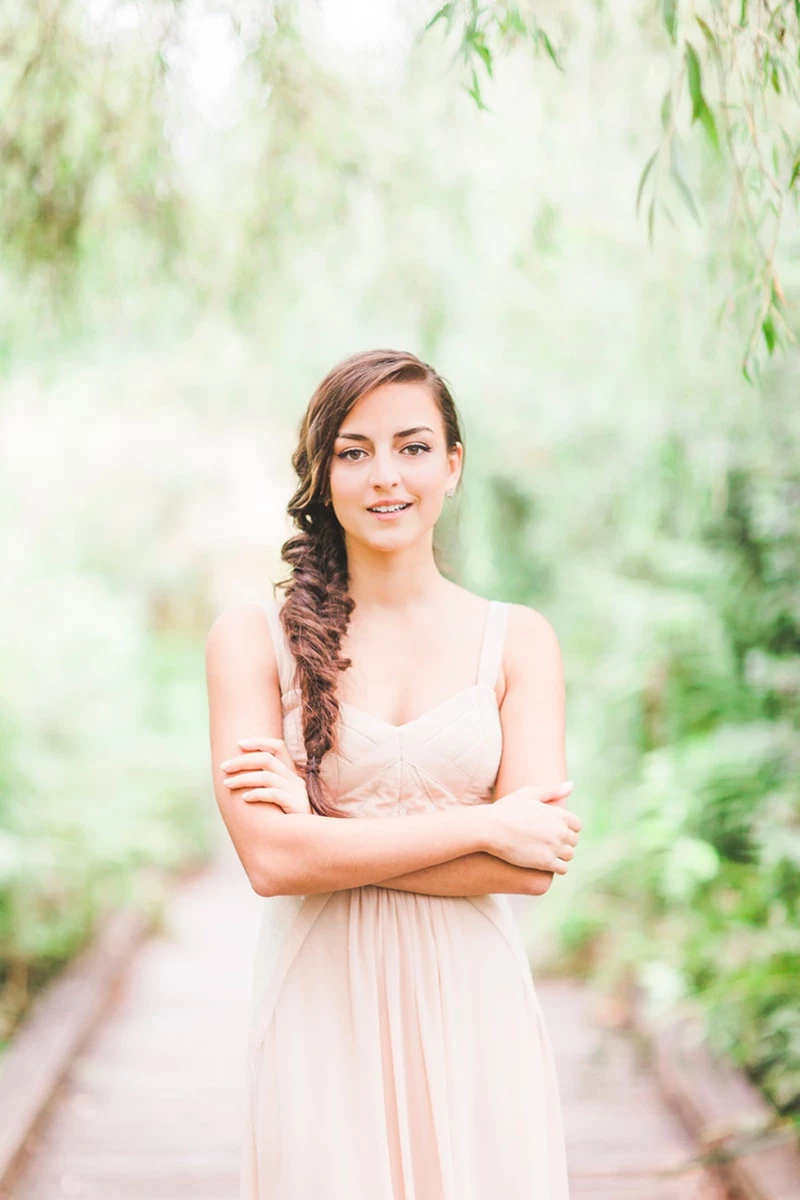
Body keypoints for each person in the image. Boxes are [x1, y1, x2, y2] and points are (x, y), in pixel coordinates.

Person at [205, 348, 582, 1199]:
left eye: (413, 447)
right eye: (355, 451)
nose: (386, 475)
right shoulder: (250, 641)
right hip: (319, 996)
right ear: (322, 474)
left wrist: (323, 834)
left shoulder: (519, 641)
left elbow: (530, 868)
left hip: (475, 997)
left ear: (453, 465)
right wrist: (486, 824)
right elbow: (272, 862)